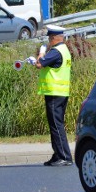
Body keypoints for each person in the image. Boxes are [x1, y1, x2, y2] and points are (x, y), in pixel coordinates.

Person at [35, 24, 74, 166]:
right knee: (56, 124)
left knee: (56, 125)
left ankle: (64, 156)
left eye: (49, 38)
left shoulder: (56, 51)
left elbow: (40, 64)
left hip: (54, 92)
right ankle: (58, 154)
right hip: (61, 92)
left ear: (53, 38)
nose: (48, 41)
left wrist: (41, 52)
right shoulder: (64, 50)